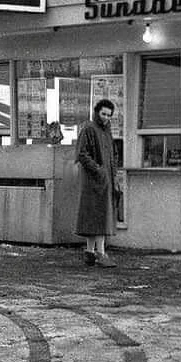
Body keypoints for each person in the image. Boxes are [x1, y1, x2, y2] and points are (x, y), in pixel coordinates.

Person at [75, 98, 119, 267]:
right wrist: (99, 170)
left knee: (96, 216)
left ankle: (91, 252)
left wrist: (111, 172)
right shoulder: (89, 128)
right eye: (103, 114)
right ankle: (100, 253)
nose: (106, 117)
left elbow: (113, 153)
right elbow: (82, 154)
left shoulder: (105, 131)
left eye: (109, 115)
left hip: (103, 179)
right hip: (95, 179)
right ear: (97, 112)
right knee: (99, 216)